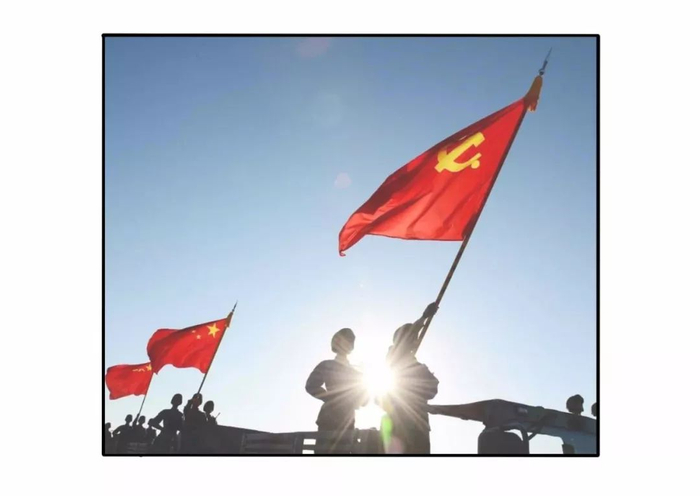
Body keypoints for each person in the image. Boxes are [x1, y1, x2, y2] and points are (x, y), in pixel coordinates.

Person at [380, 302, 440, 454]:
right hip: (398, 424)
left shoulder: (419, 368)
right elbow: (404, 340)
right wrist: (424, 318)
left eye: (415, 337)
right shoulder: (393, 357)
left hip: (419, 426)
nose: (415, 339)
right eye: (413, 336)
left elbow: (432, 390)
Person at [306, 328, 369, 454]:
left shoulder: (356, 372)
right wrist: (332, 398)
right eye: (342, 340)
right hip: (328, 420)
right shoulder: (326, 365)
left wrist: (363, 387)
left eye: (349, 341)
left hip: (348, 422)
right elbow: (311, 386)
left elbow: (364, 402)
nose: (346, 343)